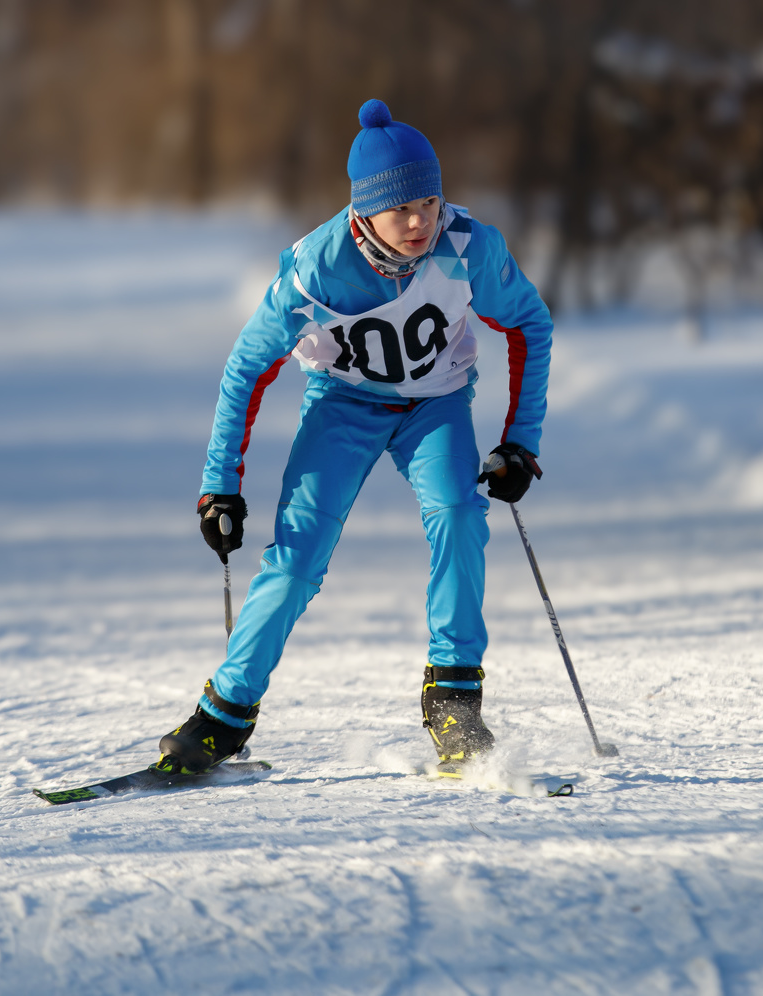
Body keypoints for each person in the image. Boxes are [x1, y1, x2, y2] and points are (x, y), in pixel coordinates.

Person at [156, 99, 553, 775]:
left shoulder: (467, 247)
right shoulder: (314, 270)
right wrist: (219, 485)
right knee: (297, 557)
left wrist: (521, 441)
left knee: (460, 513)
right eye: (401, 210)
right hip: (343, 405)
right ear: (364, 211)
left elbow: (529, 324)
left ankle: (454, 701)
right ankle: (223, 715)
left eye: (429, 203)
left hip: (436, 404)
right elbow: (247, 367)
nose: (420, 222)